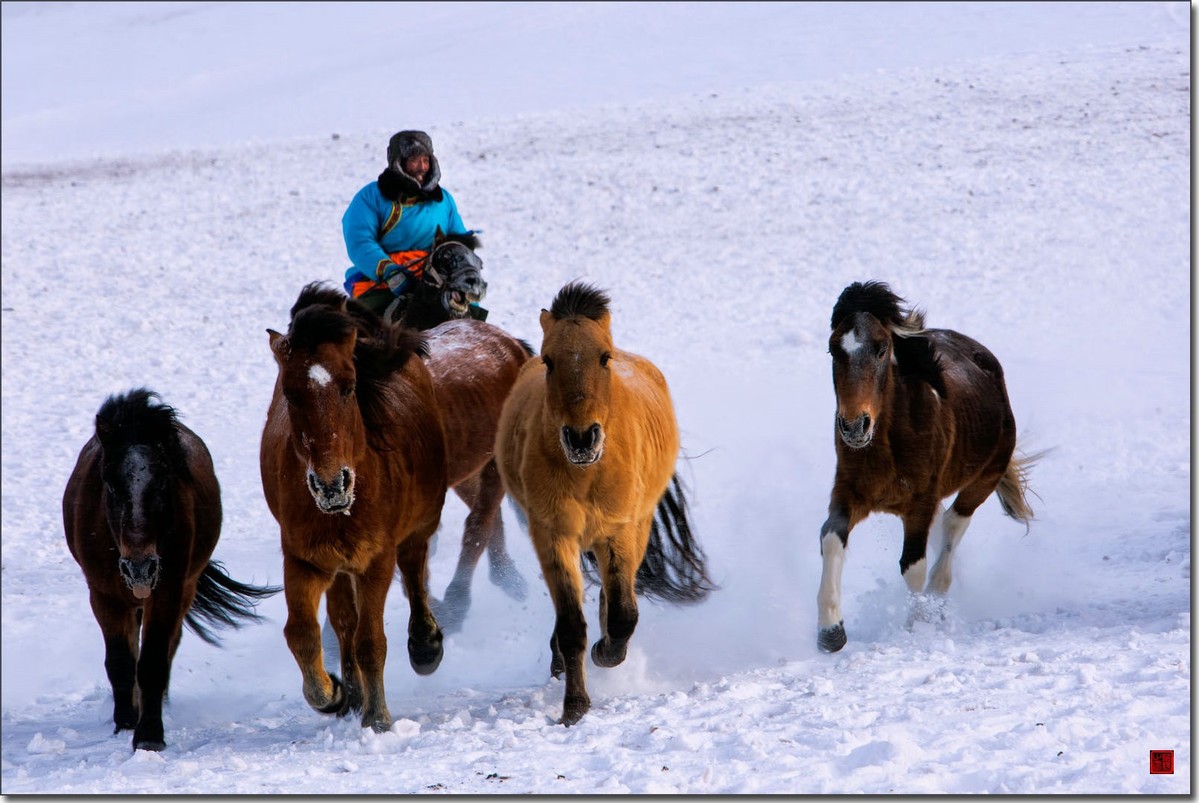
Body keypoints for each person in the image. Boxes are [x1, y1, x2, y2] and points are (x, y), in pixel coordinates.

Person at [341, 130, 472, 318]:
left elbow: (458, 243)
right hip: (382, 283)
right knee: (365, 329)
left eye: (426, 160)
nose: (422, 167)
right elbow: (360, 242)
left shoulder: (444, 201)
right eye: (414, 161)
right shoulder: (370, 198)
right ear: (398, 162)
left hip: (438, 281)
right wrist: (390, 272)